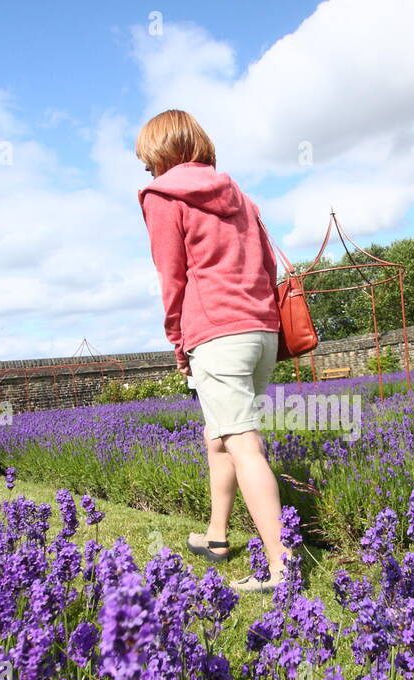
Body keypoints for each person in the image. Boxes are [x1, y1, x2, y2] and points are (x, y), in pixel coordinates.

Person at [135, 109, 293, 593]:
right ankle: (217, 535)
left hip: (217, 333)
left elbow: (172, 277)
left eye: (148, 161)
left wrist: (178, 341)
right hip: (262, 331)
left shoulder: (162, 197)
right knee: (219, 433)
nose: (148, 171)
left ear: (162, 153)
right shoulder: (241, 196)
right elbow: (268, 264)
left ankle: (282, 568)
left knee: (243, 443)